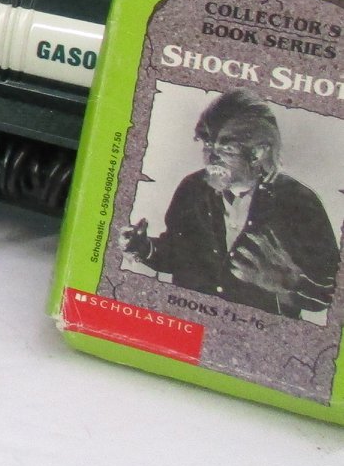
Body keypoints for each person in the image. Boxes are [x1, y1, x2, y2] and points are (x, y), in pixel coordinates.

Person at [119, 89, 341, 318]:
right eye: (207, 143)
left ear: (257, 153)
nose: (210, 157)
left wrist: (288, 282)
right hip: (189, 323)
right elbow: (178, 255)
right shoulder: (192, 188)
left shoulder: (298, 202)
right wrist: (143, 248)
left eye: (226, 147)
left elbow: (330, 294)